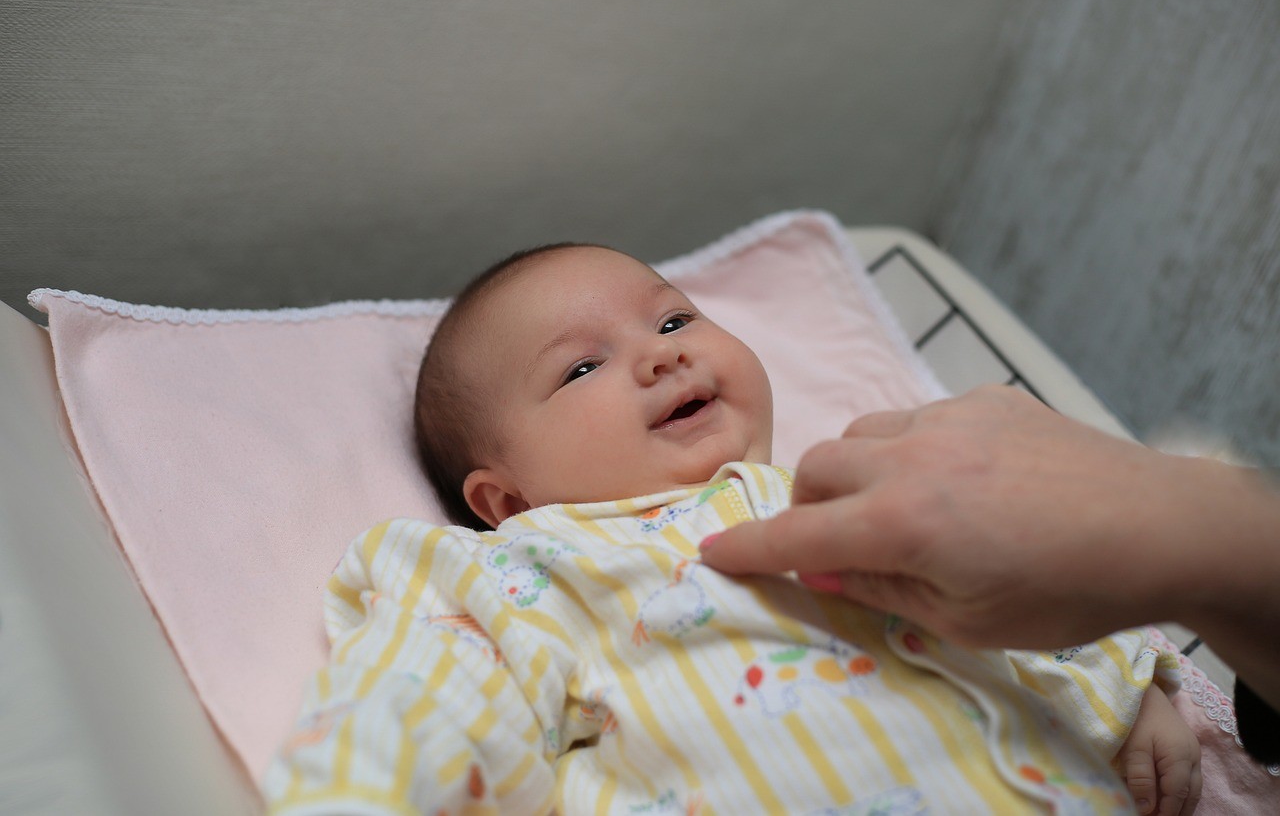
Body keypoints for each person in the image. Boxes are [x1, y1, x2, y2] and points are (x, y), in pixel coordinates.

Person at [263, 245, 1201, 815]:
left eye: (673, 318)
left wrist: (1124, 683)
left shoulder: (851, 483)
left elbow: (1015, 568)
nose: (660, 353)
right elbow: (421, 701)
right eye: (581, 368)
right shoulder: (533, 571)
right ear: (505, 500)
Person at [697, 384, 1280, 763]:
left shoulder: (839, 495)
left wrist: (1124, 700)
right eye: (598, 364)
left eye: (675, 321)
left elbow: (1035, 597)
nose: (662, 355)